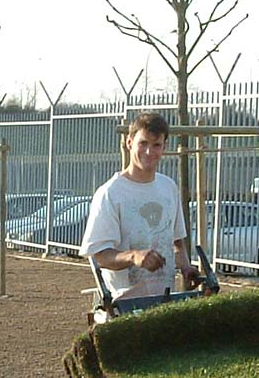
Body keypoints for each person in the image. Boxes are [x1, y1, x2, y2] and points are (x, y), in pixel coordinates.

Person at [80, 112, 200, 303]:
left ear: (164, 147)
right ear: (129, 143)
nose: (149, 152)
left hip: (164, 302)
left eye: (156, 145)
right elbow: (100, 256)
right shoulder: (110, 193)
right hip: (124, 305)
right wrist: (133, 257)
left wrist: (185, 267)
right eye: (143, 143)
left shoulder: (168, 188)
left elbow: (176, 241)